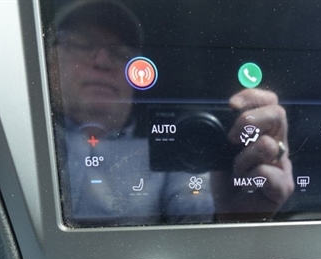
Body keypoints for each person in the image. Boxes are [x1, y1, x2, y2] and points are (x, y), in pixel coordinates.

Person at [47, 0, 293, 224]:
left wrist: (230, 218)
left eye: (120, 53)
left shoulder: (170, 149)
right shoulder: (30, 138)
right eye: (81, 44)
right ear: (47, 60)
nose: (102, 61)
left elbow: (195, 209)